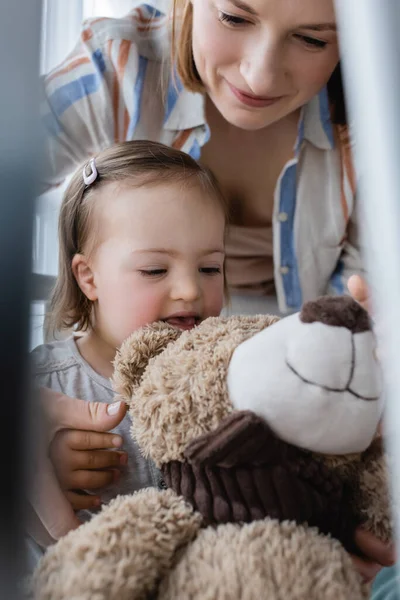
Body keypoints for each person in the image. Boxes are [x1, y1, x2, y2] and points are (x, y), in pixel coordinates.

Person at [32, 0, 395, 582]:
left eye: (312, 38)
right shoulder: (120, 67)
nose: (259, 74)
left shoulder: (377, 109)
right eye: (234, 17)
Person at [27, 139, 227, 565]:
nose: (191, 289)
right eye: (155, 269)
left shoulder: (235, 376)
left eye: (210, 268)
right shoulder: (40, 383)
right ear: (89, 277)